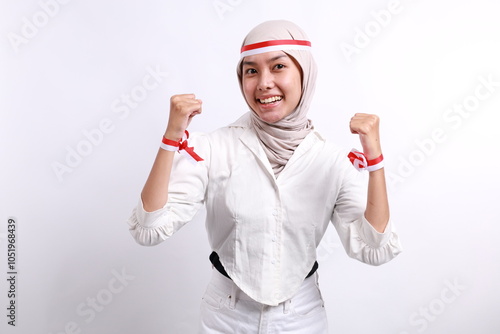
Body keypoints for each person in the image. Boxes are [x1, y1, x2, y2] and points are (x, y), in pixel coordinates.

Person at [127, 20, 402, 333]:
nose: (263, 83)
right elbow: (149, 229)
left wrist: (375, 161)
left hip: (302, 316)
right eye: (251, 70)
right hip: (225, 316)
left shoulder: (332, 161)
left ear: (305, 73)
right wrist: (171, 138)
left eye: (279, 66)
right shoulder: (215, 147)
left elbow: (374, 248)